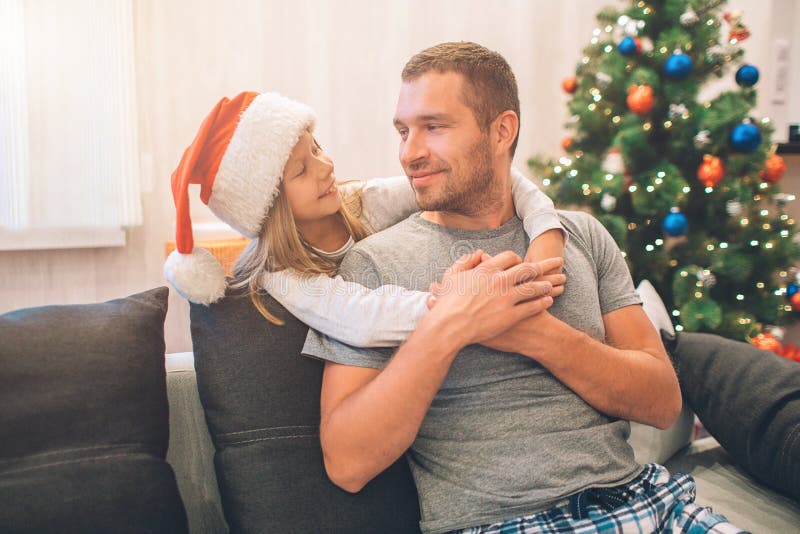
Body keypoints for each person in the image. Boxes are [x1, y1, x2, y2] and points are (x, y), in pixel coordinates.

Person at [302, 42, 745, 533]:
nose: (410, 152)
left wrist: (526, 331)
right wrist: (450, 325)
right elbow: (347, 464)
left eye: (434, 127)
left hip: (653, 505)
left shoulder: (580, 236)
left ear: (502, 131)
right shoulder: (374, 264)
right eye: (404, 131)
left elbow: (662, 402)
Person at [163, 91, 565, 349]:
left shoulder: (359, 201)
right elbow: (363, 318)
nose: (324, 168)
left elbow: (479, 177)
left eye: (317, 149)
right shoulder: (282, 275)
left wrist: (545, 227)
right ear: (271, 211)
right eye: (302, 171)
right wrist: (463, 303)